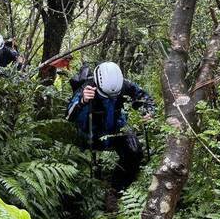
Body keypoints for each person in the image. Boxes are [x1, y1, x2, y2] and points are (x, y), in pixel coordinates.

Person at [66, 61, 154, 191]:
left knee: (135, 152)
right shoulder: (87, 88)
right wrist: (82, 101)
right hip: (92, 131)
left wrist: (149, 111)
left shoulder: (123, 84)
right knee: (79, 165)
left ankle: (118, 188)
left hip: (117, 127)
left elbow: (143, 97)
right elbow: (69, 116)